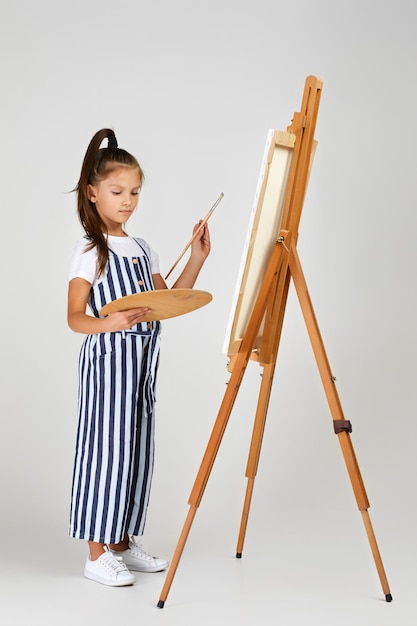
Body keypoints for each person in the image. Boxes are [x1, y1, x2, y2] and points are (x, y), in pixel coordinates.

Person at [67, 128, 210, 586]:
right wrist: (107, 323)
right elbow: (74, 317)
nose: (127, 200)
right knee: (104, 453)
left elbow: (166, 299)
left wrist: (199, 257)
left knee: (135, 451)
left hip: (142, 368)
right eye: (116, 191)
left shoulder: (142, 246)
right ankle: (95, 552)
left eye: (134, 192)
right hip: (108, 366)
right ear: (93, 194)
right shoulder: (91, 250)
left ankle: (122, 544)